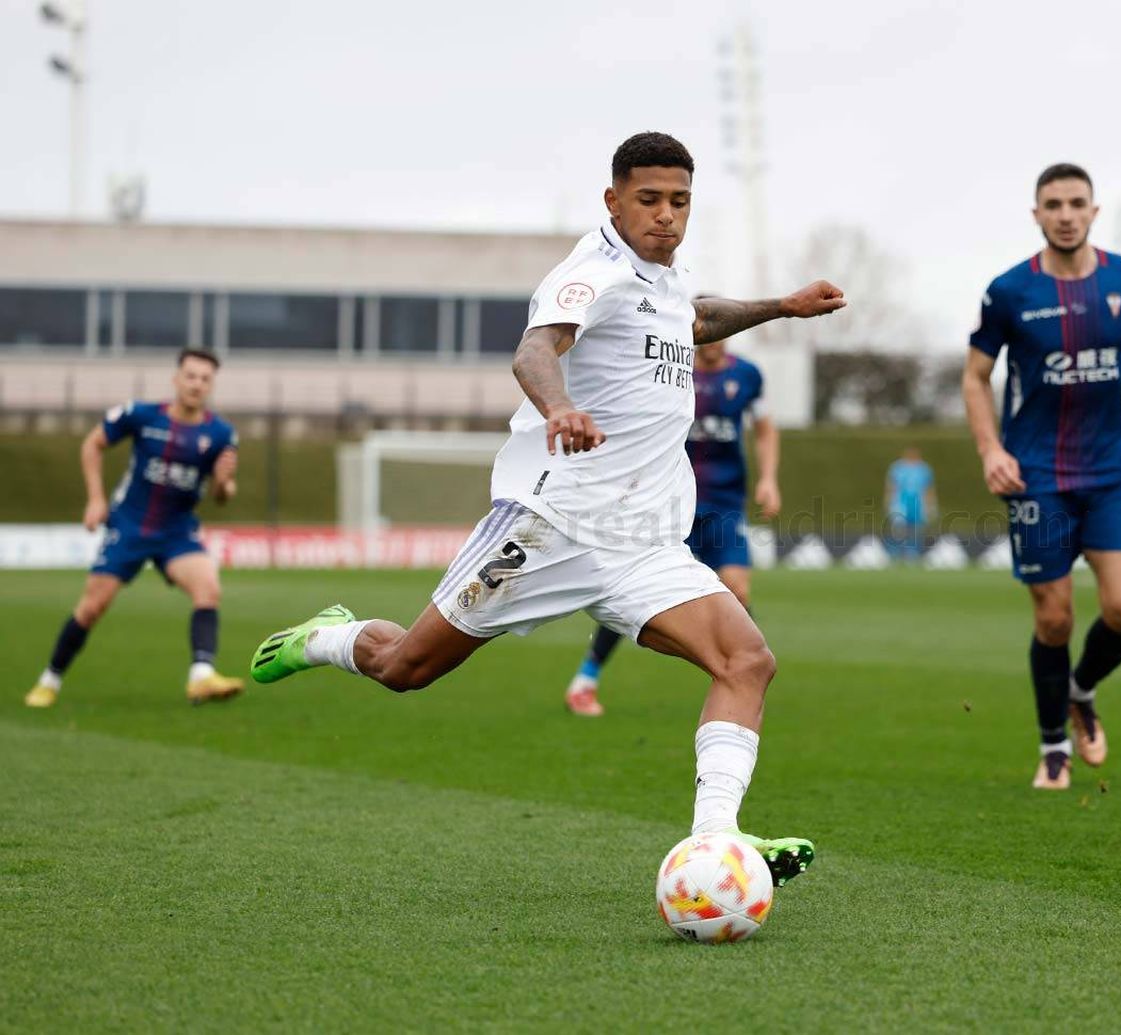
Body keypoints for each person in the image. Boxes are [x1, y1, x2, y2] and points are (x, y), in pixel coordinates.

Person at [249, 132, 844, 886]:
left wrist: (781, 307)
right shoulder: (591, 271)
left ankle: (715, 840)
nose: (666, 215)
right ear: (613, 201)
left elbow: (694, 319)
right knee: (405, 668)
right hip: (549, 526)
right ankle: (328, 637)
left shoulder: (662, 280)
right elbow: (535, 350)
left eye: (680, 201)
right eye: (649, 200)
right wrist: (558, 406)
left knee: (746, 660)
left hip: (642, 541)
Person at [961, 162, 1121, 791]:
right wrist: (990, 451)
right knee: (1054, 620)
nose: (1065, 214)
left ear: (1093, 211)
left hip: (1109, 472)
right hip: (1037, 477)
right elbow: (975, 377)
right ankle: (1053, 745)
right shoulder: (1009, 291)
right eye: (1053, 204)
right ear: (1037, 214)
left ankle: (1081, 689)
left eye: (1076, 203)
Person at [562, 314, 780, 717]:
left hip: (724, 502)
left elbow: (765, 429)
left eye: (720, 335)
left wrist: (769, 479)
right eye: (705, 336)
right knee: (634, 590)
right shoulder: (671, 371)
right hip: (667, 500)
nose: (713, 342)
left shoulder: (747, 375)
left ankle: (739, 677)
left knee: (738, 589)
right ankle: (586, 679)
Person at [25, 348, 245, 708]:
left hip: (176, 532)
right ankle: (49, 680)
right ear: (176, 379)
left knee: (208, 588)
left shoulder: (221, 434)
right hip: (130, 525)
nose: (197, 384)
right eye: (191, 376)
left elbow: (224, 494)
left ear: (211, 386)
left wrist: (223, 483)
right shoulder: (142, 415)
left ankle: (201, 676)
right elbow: (92, 444)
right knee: (92, 607)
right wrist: (96, 499)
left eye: (205, 379)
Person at [884, 447, 936, 560]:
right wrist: (888, 501)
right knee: (898, 528)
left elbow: (928, 488)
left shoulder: (924, 469)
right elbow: (891, 485)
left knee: (916, 528)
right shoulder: (897, 468)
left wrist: (930, 505)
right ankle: (895, 552)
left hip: (918, 504)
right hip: (901, 502)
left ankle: (912, 552)